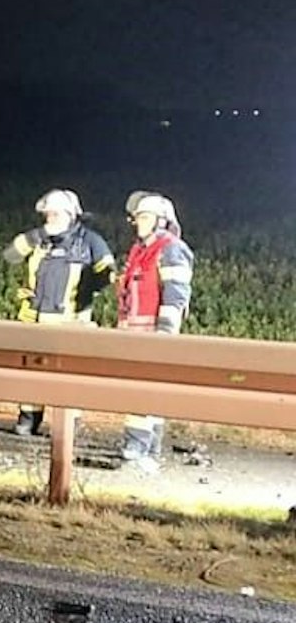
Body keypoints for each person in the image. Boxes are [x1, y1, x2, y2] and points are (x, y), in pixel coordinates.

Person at [1, 188, 114, 437]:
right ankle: (28, 418)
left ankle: (67, 427)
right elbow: (10, 255)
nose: (50, 218)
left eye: (56, 213)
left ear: (71, 214)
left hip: (70, 320)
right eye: (48, 214)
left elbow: (107, 273)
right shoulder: (40, 239)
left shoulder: (90, 241)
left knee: (68, 377)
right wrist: (37, 235)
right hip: (36, 318)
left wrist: (88, 292)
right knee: (31, 373)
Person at [115, 191, 195, 472]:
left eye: (145, 217)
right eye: (137, 218)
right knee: (142, 392)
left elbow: (176, 294)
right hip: (134, 333)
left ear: (162, 220)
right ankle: (146, 449)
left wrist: (165, 333)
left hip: (153, 334)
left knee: (144, 392)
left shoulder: (171, 249)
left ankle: (136, 449)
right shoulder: (139, 250)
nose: (138, 223)